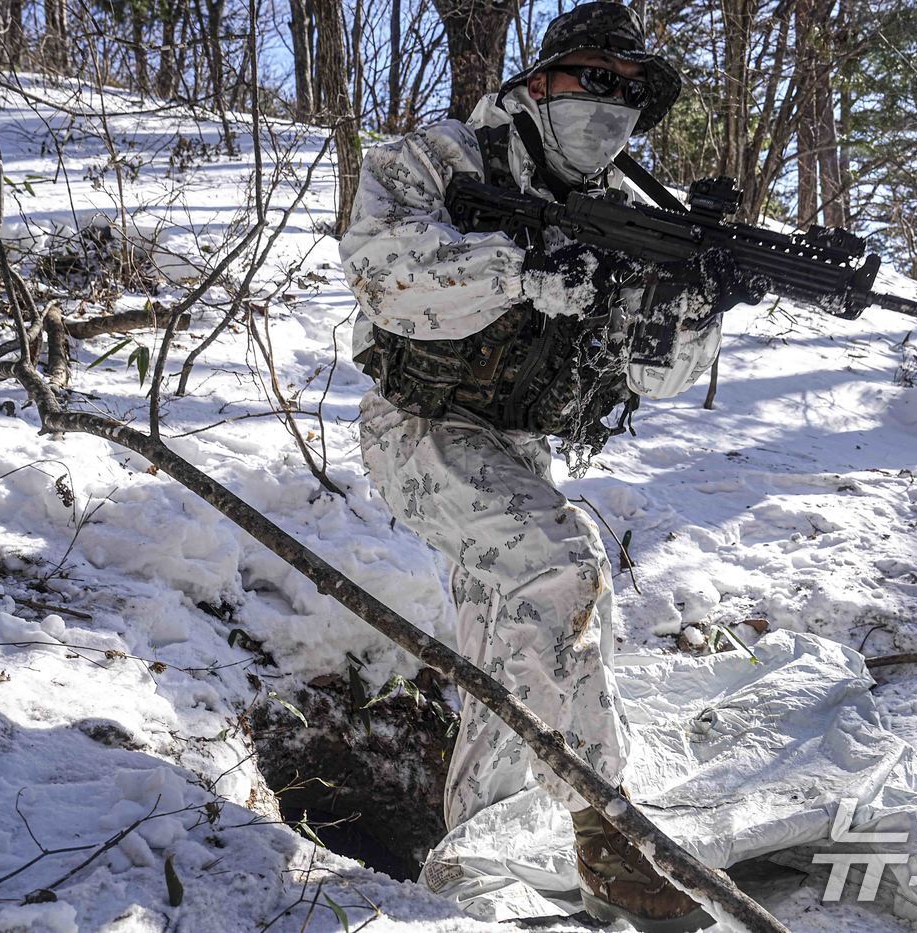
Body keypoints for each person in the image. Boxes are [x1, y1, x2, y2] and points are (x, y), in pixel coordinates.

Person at [339, 4, 737, 929]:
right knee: (563, 565)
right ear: (539, 81)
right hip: (419, 425)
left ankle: (470, 856)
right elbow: (381, 274)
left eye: (633, 92)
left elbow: (655, 375)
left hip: (517, 446)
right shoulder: (441, 159)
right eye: (596, 78)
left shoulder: (634, 214)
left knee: (509, 654)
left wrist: (698, 302)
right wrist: (516, 269)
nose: (612, 103)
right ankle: (609, 831)